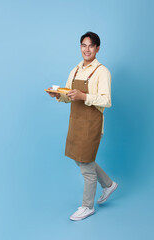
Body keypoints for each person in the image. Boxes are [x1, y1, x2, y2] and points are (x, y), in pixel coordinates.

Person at [47, 31, 118, 221]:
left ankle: (87, 206)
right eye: (83, 45)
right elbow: (68, 96)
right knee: (80, 160)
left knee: (86, 165)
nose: (87, 49)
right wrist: (58, 95)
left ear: (97, 49)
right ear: (80, 47)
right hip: (77, 122)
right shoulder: (76, 69)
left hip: (92, 125)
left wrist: (83, 96)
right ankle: (109, 184)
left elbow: (106, 100)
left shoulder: (102, 71)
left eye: (91, 46)